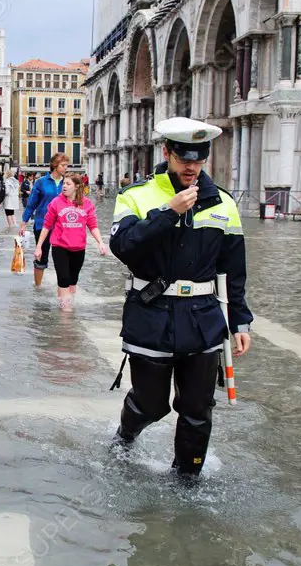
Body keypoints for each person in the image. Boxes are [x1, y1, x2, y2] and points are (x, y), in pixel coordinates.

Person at [109, 116, 252, 482]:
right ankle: (126, 434)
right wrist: (169, 212)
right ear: (167, 152)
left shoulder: (223, 203)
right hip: (151, 314)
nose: (191, 166)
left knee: (197, 411)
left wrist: (240, 321)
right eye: (184, 157)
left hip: (203, 319)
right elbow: (123, 246)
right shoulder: (136, 196)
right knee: (151, 405)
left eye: (199, 159)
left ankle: (187, 483)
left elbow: (233, 269)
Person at [33, 172, 107, 311]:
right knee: (63, 279)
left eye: (68, 184)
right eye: (63, 183)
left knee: (73, 281)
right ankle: (65, 316)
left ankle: (68, 306)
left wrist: (100, 243)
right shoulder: (56, 202)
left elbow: (92, 225)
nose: (64, 186)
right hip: (60, 247)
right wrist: (39, 247)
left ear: (77, 186)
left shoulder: (87, 204)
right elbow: (47, 226)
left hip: (79, 248)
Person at [20, 154, 69, 286]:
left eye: (66, 165)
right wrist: (23, 224)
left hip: (63, 227)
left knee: (62, 258)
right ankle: (38, 287)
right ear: (54, 165)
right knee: (41, 256)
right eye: (63, 165)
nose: (66, 168)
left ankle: (63, 287)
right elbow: (31, 204)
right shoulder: (41, 182)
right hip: (42, 225)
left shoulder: (68, 182)